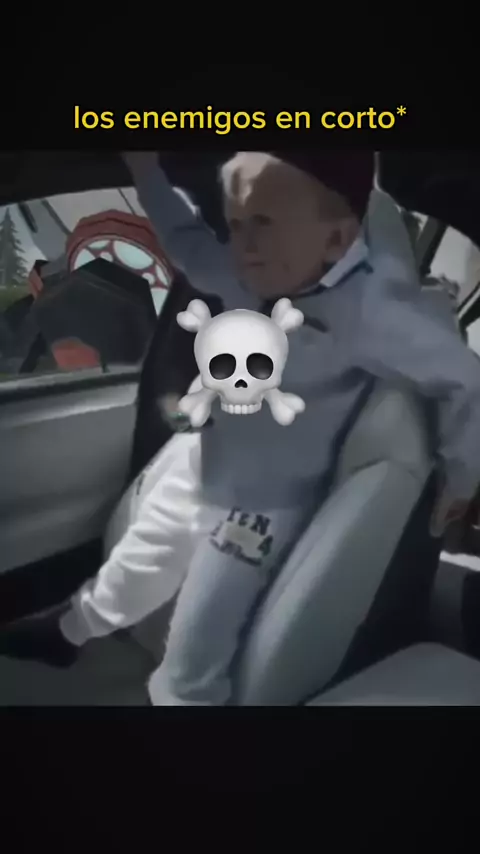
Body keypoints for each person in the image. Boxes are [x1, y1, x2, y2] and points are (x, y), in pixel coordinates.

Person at [3, 150, 480, 704]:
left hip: (262, 504)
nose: (242, 244)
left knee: (198, 640)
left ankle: (186, 698)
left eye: (265, 224)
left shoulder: (374, 314)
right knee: (141, 558)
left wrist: (461, 478)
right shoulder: (257, 279)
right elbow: (186, 242)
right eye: (236, 224)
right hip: (213, 456)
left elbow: (465, 380)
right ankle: (70, 631)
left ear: (337, 240)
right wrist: (146, 173)